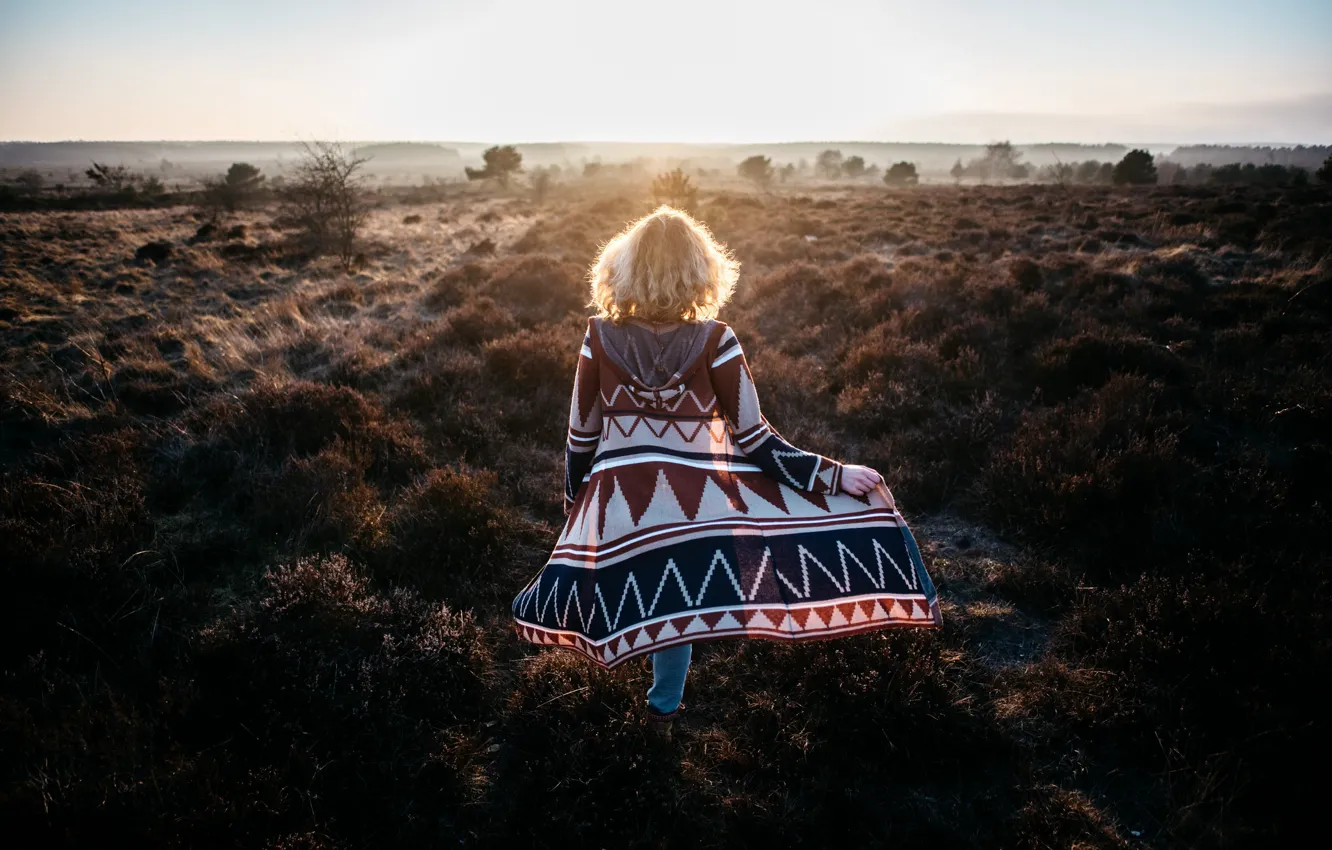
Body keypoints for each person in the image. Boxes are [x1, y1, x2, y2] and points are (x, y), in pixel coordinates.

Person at [511, 206, 941, 740]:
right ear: (700, 268)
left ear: (625, 268)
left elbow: (581, 434)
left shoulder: (598, 336)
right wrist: (832, 476)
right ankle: (663, 709)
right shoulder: (717, 340)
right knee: (675, 599)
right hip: (693, 502)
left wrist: (577, 500)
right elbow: (756, 439)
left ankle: (615, 703)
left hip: (619, 498)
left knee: (632, 587)